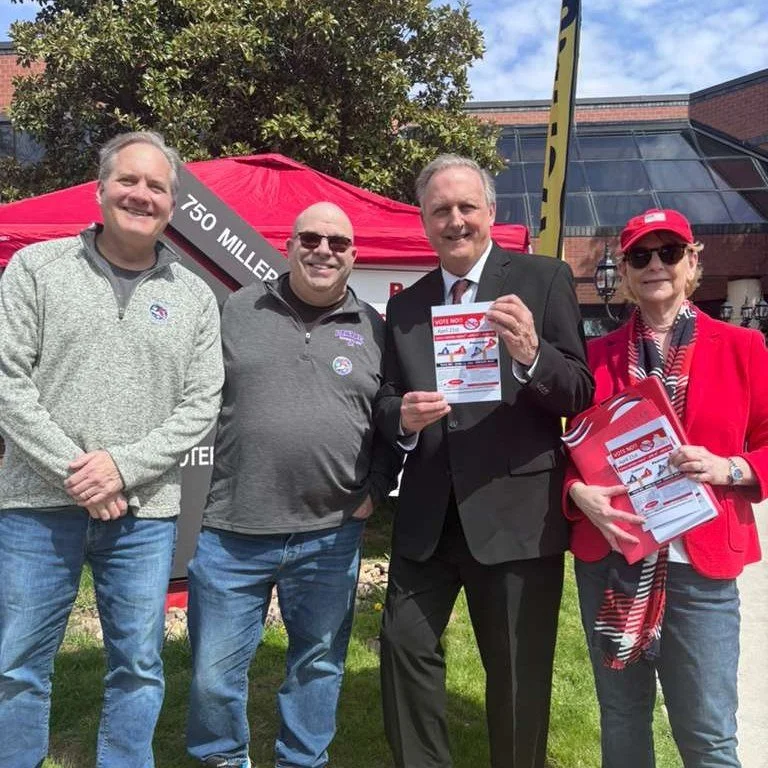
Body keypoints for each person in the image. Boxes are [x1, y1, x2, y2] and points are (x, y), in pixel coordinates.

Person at [0, 131, 224, 768]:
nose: (141, 195)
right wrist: (78, 472)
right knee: (18, 663)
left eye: (157, 186)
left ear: (173, 203)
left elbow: (200, 405)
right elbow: (5, 380)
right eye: (129, 181)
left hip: (144, 513)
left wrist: (120, 468)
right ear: (100, 190)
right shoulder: (36, 269)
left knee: (139, 665)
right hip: (35, 504)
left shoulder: (195, 297)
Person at [376, 154, 594, 768]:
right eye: (440, 209)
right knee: (402, 644)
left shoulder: (543, 279)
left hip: (515, 512)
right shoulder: (408, 306)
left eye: (466, 206)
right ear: (424, 221)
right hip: (428, 517)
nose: (455, 220)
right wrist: (404, 418)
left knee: (519, 673)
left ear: (491, 213)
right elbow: (386, 401)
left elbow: (578, 389)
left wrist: (531, 355)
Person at [186, 202, 400, 768]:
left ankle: (302, 761)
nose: (323, 250)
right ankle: (221, 759)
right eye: (311, 238)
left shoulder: (374, 329)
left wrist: (378, 486)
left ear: (354, 255)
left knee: (319, 663)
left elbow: (389, 418)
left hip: (329, 537)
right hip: (233, 529)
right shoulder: (239, 308)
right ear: (289, 245)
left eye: (338, 242)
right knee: (212, 672)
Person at [565, 208, 768, 767]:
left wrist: (730, 467)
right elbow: (568, 446)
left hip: (699, 567)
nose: (655, 264)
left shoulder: (741, 348)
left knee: (706, 734)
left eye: (669, 252)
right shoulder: (595, 356)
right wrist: (576, 492)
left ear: (692, 262)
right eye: (640, 255)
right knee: (623, 718)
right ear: (626, 272)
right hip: (612, 559)